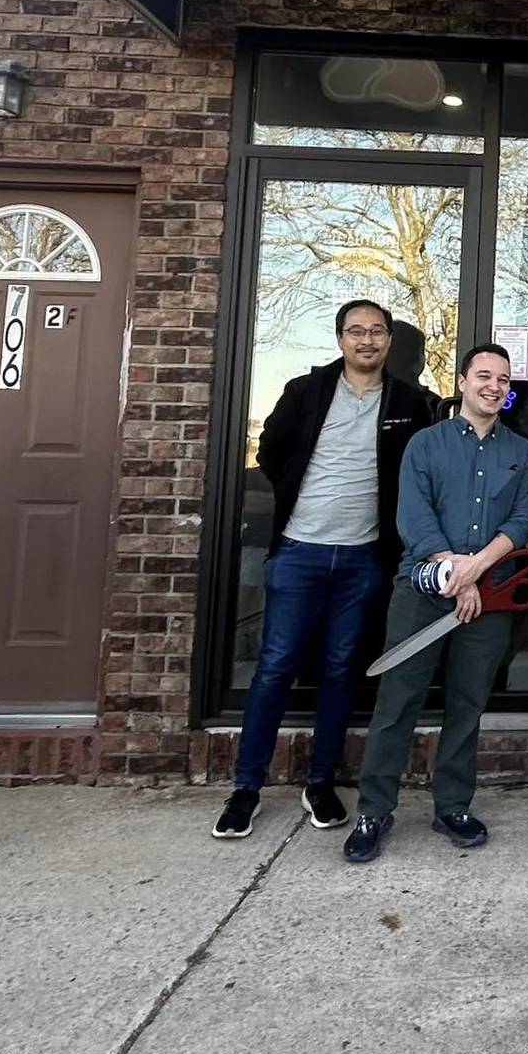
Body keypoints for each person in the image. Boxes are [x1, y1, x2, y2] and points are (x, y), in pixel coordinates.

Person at [213, 299, 434, 841]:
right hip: (299, 551)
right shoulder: (306, 391)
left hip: (362, 557)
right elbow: (271, 453)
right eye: (356, 331)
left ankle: (320, 782)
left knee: (339, 670)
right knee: (274, 668)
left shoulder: (409, 402)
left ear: (389, 341)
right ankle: (246, 789)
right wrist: (301, 498)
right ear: (340, 339)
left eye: (377, 331)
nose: (367, 340)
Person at [343, 344, 528, 863]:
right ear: (462, 382)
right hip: (422, 593)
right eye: (484, 376)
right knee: (396, 703)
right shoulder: (425, 444)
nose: (493, 386)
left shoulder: (520, 452)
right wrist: (457, 573)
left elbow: (522, 521)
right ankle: (373, 811)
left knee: (467, 705)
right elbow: (414, 516)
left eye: (503, 379)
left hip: (488, 598)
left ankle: (452, 805)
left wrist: (476, 569)